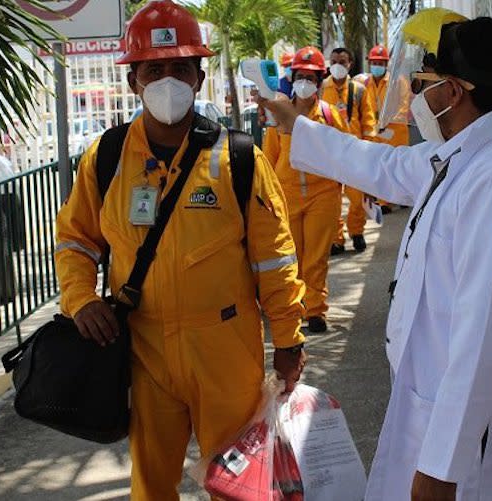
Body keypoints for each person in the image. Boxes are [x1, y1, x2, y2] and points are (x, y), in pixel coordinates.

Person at [260, 16, 492, 501]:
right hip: (438, 414)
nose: (418, 96)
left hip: (479, 448)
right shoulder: (466, 155)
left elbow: (481, 336)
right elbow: (381, 165)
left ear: (456, 91)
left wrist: (442, 467)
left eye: (424, 83)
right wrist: (298, 127)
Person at [54, 2, 308, 498]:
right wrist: (80, 299)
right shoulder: (106, 159)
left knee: (240, 484)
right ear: (133, 81)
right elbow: (75, 240)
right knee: (151, 488)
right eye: (154, 69)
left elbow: (275, 258)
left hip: (226, 349)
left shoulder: (237, 158)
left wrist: (289, 338)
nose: (166, 80)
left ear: (199, 76)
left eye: (179, 68)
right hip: (145, 353)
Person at [262, 46, 351, 334]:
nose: (305, 82)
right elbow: (268, 159)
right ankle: (295, 308)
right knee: (293, 257)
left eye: (311, 78)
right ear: (292, 77)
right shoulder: (279, 114)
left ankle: (315, 311)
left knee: (316, 259)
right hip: (287, 196)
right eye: (300, 76)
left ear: (318, 80)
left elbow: (344, 152)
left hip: (323, 196)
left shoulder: (329, 114)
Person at [321, 47, 378, 254]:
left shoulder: (358, 90)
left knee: (357, 197)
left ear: (350, 64)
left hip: (354, 151)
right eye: (334, 61)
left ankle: (357, 232)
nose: (337, 65)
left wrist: (369, 148)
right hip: (328, 153)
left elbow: (368, 121)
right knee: (331, 199)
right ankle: (337, 239)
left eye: (342, 61)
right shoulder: (320, 89)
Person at [354, 44, 412, 213]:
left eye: (380, 63)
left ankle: (400, 198)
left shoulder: (398, 81)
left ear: (387, 64)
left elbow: (403, 105)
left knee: (399, 167)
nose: (377, 66)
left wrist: (386, 120)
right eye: (374, 62)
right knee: (381, 166)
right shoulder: (365, 83)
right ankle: (384, 201)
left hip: (395, 131)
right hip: (376, 131)